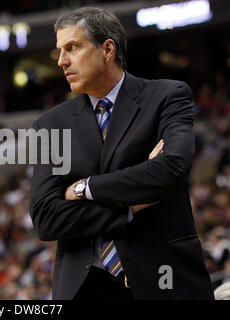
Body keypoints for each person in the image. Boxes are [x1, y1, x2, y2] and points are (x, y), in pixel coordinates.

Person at [29, 7, 214, 300]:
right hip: (83, 287)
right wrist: (131, 206)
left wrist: (84, 188)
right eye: (60, 51)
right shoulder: (51, 124)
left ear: (107, 49)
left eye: (72, 48)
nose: (62, 61)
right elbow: (46, 218)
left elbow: (172, 170)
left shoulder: (167, 96)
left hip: (165, 279)